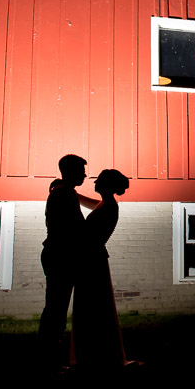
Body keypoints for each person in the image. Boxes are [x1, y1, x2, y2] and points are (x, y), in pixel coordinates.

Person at [70, 168, 134, 373]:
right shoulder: (106, 204)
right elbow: (90, 203)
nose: (94, 183)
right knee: (96, 306)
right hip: (94, 259)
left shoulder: (109, 207)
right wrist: (75, 195)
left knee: (92, 305)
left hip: (92, 260)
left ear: (106, 185)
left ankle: (93, 356)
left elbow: (86, 232)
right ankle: (97, 354)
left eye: (98, 181)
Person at [38, 154, 97, 373]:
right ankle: (49, 361)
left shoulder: (64, 193)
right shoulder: (63, 195)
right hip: (60, 257)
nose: (84, 174)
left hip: (57, 255)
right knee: (56, 310)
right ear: (70, 171)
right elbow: (76, 228)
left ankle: (49, 357)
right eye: (81, 170)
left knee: (55, 308)